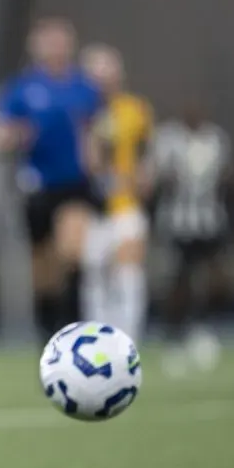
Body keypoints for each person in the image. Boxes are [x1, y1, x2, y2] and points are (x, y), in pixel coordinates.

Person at [0, 17, 103, 344]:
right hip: (38, 184)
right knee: (44, 265)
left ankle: (76, 329)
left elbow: (97, 130)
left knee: (72, 252)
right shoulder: (23, 89)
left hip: (74, 184)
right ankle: (47, 331)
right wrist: (13, 136)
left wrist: (95, 155)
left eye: (60, 40)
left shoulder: (84, 88)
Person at [150, 104, 233, 377]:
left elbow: (226, 174)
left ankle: (204, 327)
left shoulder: (216, 138)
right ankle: (174, 337)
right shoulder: (168, 139)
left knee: (217, 278)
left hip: (210, 220)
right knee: (179, 280)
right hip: (178, 222)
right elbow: (161, 177)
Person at [79, 44, 154, 344]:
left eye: (108, 71)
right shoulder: (81, 111)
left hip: (125, 204)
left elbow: (147, 153)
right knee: (94, 274)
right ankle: (97, 340)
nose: (103, 79)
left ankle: (128, 341)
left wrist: (144, 178)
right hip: (90, 207)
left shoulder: (134, 109)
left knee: (128, 273)